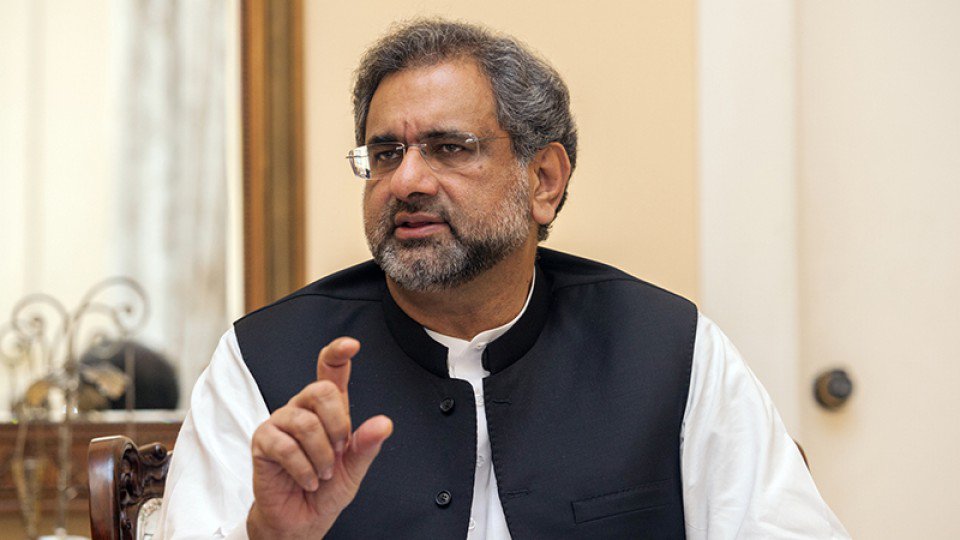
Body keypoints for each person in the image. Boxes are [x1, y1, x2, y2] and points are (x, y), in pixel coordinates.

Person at [159, 19, 848, 539]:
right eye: (386, 153)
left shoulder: (668, 350)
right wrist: (268, 537)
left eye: (449, 148)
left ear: (543, 180)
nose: (407, 180)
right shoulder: (262, 362)